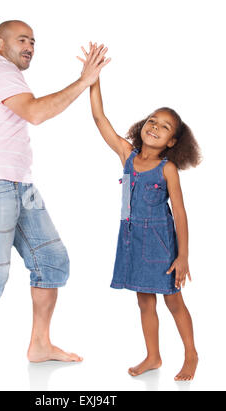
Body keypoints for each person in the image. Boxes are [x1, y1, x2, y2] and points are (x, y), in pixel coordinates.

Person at [0, 21, 109, 370]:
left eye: (33, 41)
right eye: (22, 40)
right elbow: (35, 112)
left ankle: (40, 345)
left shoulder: (8, 75)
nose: (30, 46)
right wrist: (84, 81)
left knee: (52, 260)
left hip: (17, 184)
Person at [82, 43, 201, 381]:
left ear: (172, 142)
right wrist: (93, 79)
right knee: (144, 302)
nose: (154, 127)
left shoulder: (167, 170)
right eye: (152, 120)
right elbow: (99, 118)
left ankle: (191, 354)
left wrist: (183, 257)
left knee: (173, 301)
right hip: (133, 238)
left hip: (162, 243)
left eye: (164, 127)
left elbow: (179, 213)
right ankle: (153, 356)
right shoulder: (128, 155)